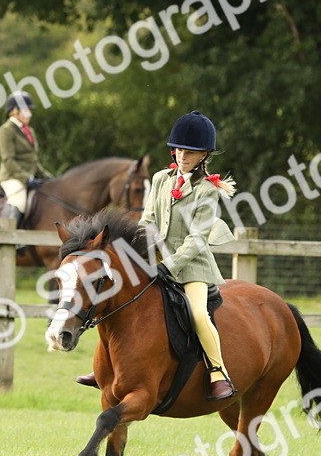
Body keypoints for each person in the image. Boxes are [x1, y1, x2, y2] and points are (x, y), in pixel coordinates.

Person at [75, 111, 237, 400]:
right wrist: (142, 253)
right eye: (179, 149)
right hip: (156, 258)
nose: (183, 155)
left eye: (190, 152)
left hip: (192, 268)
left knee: (198, 314)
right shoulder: (162, 179)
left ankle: (217, 372)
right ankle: (104, 369)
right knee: (112, 296)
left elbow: (197, 240)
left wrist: (169, 265)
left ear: (204, 155)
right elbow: (148, 220)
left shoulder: (207, 191)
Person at [0, 91, 52, 225]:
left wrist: (46, 176)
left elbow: (32, 159)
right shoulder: (6, 130)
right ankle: (7, 239)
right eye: (25, 110)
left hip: (29, 177)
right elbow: (8, 160)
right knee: (19, 201)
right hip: (12, 177)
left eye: (30, 110)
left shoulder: (29, 130)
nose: (29, 114)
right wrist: (26, 178)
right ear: (13, 111)